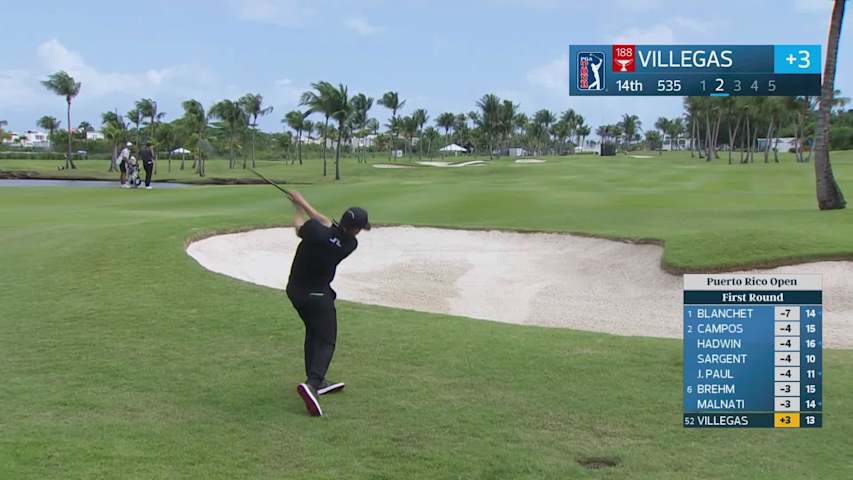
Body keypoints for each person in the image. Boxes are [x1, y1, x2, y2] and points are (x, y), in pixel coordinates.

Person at [285, 191, 370, 417]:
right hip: (317, 295)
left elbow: (303, 225)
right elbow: (322, 221)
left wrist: (298, 207)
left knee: (313, 331)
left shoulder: (314, 231)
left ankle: (317, 381)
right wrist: (302, 203)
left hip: (295, 291)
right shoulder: (349, 244)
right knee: (326, 339)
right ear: (355, 229)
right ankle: (312, 384)